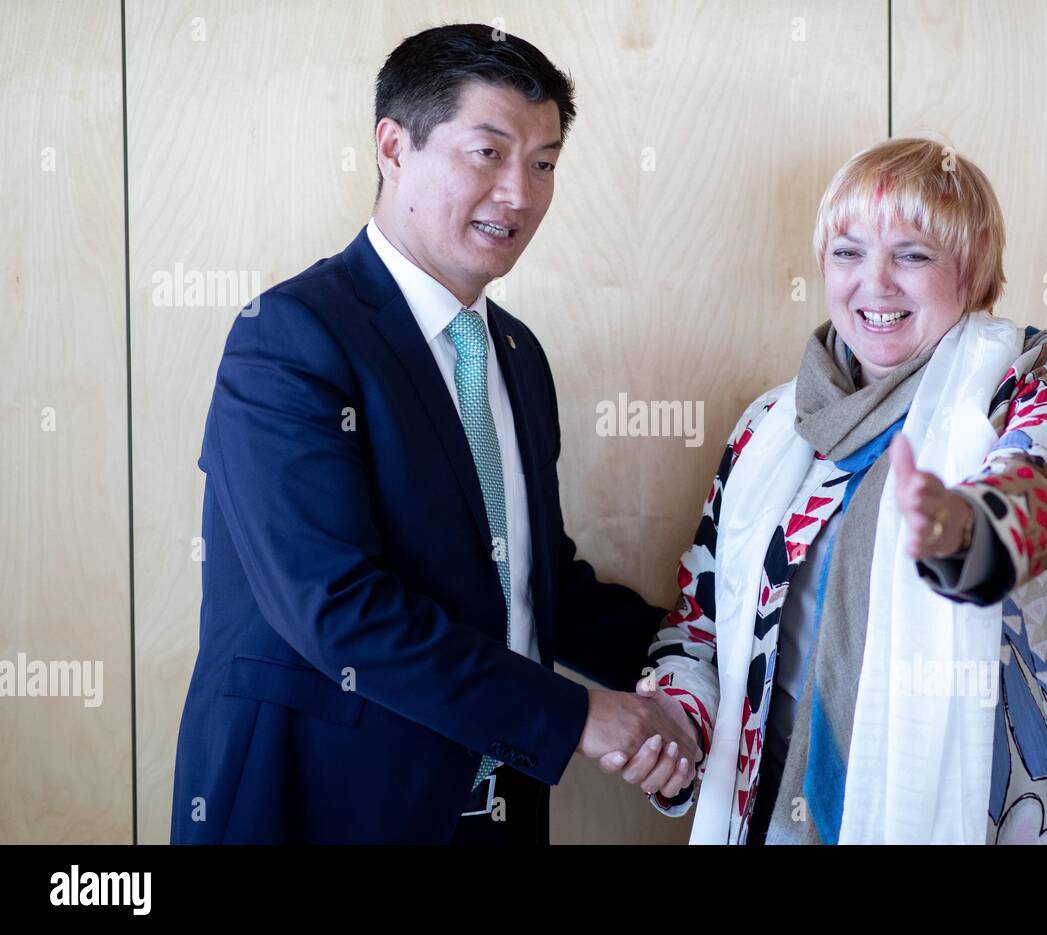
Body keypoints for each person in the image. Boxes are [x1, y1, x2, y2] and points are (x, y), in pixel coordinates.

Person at [171, 23, 699, 845]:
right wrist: (579, 716)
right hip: (321, 804)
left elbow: (531, 579)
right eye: (487, 152)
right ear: (393, 146)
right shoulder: (289, 337)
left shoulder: (517, 354)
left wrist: (706, 651)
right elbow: (337, 606)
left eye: (544, 162)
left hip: (496, 808)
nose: (520, 193)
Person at [615, 138, 1047, 844]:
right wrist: (675, 723)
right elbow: (700, 630)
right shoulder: (770, 427)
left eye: (913, 254)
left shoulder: (1036, 378)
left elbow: (1046, 486)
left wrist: (965, 530)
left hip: (1005, 809)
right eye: (847, 252)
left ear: (973, 269)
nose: (875, 283)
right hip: (783, 817)